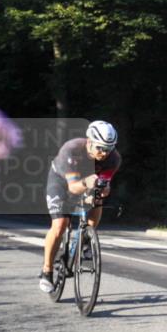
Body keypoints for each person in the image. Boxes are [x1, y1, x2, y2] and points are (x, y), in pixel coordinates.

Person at [38, 121, 121, 292]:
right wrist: (87, 181)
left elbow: (105, 186)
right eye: (100, 148)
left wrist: (104, 188)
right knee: (60, 225)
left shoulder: (114, 158)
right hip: (61, 181)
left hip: (89, 182)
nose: (104, 153)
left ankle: (85, 241)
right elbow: (73, 188)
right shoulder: (72, 149)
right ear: (89, 141)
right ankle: (47, 270)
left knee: (98, 200)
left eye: (108, 148)